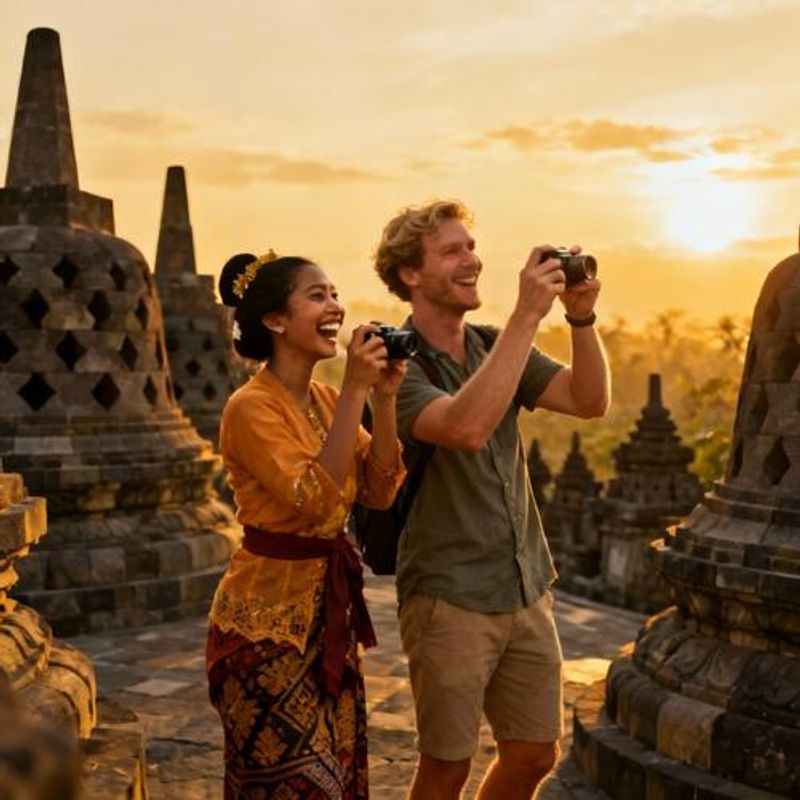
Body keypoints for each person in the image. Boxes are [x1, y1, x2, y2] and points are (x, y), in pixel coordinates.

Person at [373, 201, 610, 800]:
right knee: (447, 765)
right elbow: (464, 427)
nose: (472, 260)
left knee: (534, 754)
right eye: (452, 251)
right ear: (410, 274)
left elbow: (588, 400)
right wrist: (528, 314)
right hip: (449, 593)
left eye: (471, 247)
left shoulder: (489, 345)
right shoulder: (393, 367)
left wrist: (581, 320)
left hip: (525, 580)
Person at [206, 252, 407, 799]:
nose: (335, 307)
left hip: (326, 624)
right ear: (275, 320)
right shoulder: (249, 408)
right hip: (262, 631)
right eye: (317, 295)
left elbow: (379, 488)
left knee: (335, 782)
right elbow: (315, 503)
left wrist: (383, 400)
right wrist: (357, 394)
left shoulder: (323, 400)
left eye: (335, 294)